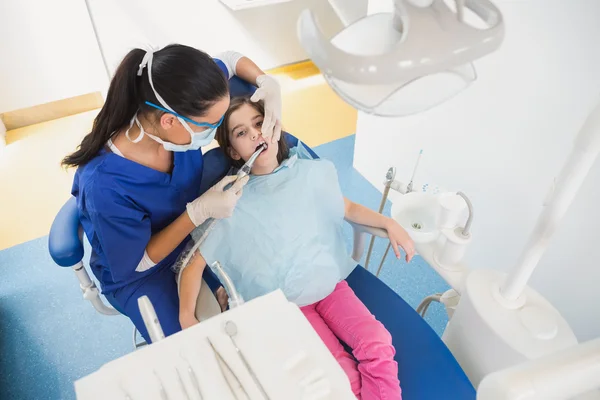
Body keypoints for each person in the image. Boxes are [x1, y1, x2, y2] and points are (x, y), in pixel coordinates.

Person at [178, 96, 416, 399]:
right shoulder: (231, 200)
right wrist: (188, 317)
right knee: (338, 375)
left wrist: (389, 223)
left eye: (259, 123)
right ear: (233, 152)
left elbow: (348, 208)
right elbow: (193, 262)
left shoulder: (306, 173)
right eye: (241, 133)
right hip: (287, 305)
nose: (254, 134)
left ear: (274, 126)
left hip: (328, 285)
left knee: (378, 342)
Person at [61, 44, 283, 343]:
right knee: (201, 348)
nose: (217, 130)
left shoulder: (183, 95)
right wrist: (198, 213)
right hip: (142, 274)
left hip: (195, 234)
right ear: (170, 121)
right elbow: (137, 263)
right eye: (210, 126)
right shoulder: (104, 184)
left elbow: (230, 60)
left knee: (254, 307)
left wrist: (267, 83)